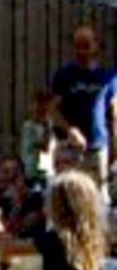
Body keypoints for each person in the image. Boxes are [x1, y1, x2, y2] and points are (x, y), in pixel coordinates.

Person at [50, 24, 113, 187]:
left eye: (86, 46)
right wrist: (70, 130)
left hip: (97, 145)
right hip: (70, 147)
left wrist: (114, 149)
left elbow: (113, 113)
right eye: (78, 47)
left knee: (97, 192)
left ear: (96, 46)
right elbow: (54, 110)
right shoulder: (64, 76)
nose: (81, 52)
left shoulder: (108, 77)